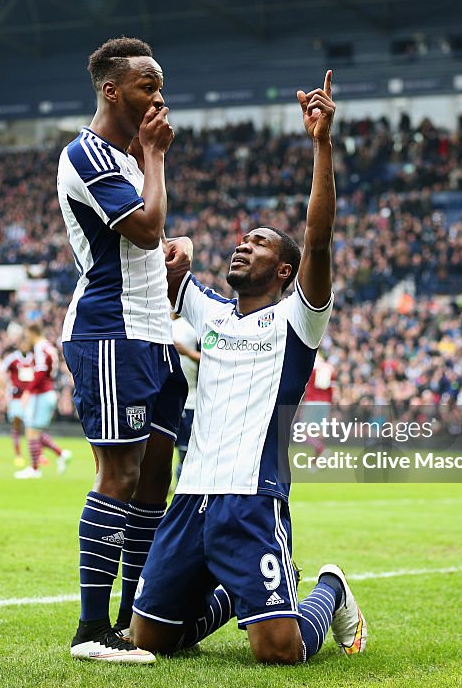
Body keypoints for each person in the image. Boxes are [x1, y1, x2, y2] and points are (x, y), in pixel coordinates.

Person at [131, 71, 368, 665]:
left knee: (278, 651)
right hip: (191, 497)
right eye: (242, 240)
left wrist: (321, 144)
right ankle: (239, 595)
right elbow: (152, 253)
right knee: (149, 641)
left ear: (284, 270)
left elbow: (318, 240)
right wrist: (173, 246)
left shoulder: (297, 320)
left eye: (259, 243)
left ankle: (330, 591)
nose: (243, 244)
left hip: (253, 497)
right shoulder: (208, 308)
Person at [57, 36, 190, 663]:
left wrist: (174, 261)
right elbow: (144, 227)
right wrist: (157, 159)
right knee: (118, 476)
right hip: (109, 332)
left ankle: (134, 617)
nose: (158, 95)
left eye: (160, 83)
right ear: (112, 89)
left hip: (151, 331)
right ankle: (92, 630)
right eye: (147, 84)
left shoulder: (131, 159)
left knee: (151, 478)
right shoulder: (88, 154)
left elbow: (149, 252)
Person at [14, 322, 72, 479]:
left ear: (32, 332)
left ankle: (34, 469)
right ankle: (61, 454)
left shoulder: (40, 347)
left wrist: (28, 391)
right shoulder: (49, 346)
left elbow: (40, 373)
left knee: (31, 430)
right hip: (48, 392)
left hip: (41, 393)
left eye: (27, 334)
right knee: (36, 432)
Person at [170, 311, 200, 483]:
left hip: (191, 399)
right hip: (167, 399)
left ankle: (182, 485)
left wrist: (188, 353)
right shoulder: (166, 325)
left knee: (186, 451)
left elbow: (213, 356)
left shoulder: (195, 328)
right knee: (161, 448)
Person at [0, 338, 30, 468]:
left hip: (30, 397)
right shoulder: (13, 358)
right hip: (17, 397)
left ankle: (37, 454)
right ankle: (18, 454)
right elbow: (1, 369)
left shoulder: (33, 358)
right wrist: (6, 386)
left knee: (32, 427)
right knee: (17, 425)